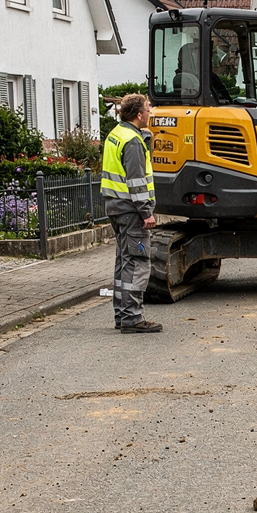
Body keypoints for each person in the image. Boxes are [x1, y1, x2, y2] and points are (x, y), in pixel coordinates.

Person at [101, 94, 163, 334]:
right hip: (131, 210)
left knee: (123, 262)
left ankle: (122, 314)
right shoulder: (133, 141)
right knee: (136, 262)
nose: (150, 113)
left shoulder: (116, 134)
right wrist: (146, 212)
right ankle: (132, 317)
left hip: (116, 207)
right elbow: (136, 182)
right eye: (148, 109)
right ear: (138, 114)